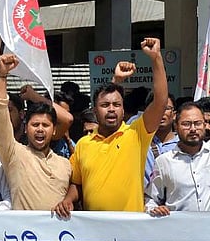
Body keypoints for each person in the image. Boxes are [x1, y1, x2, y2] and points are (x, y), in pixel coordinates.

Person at [54, 37, 167, 216]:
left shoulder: (136, 134)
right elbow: (77, 182)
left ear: (123, 110)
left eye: (117, 105)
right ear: (95, 111)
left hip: (130, 231)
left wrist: (156, 58)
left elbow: (160, 101)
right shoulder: (84, 144)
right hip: (96, 235)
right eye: (105, 106)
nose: (112, 109)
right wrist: (68, 199)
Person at [0, 54, 72, 211]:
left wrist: (35, 96)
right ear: (26, 127)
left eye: (45, 125)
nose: (40, 129)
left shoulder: (66, 165)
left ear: (54, 130)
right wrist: (2, 76)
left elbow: (67, 118)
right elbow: (0, 114)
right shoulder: (14, 154)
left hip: (59, 234)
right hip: (23, 234)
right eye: (35, 124)